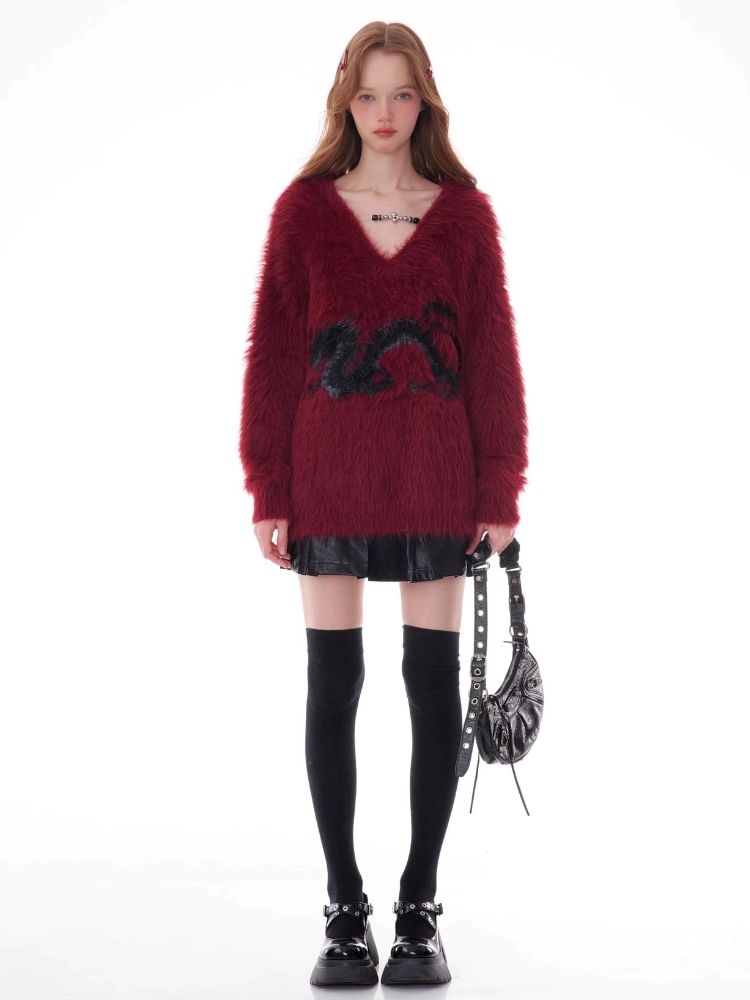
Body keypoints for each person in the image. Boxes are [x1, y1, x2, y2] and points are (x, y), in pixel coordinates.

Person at [238, 21, 529, 989]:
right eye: (369, 94)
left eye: (402, 94)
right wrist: (269, 484)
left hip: (436, 475)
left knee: (429, 684)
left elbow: (492, 357)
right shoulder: (304, 213)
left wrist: (500, 485)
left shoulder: (464, 218)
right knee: (334, 682)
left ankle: (419, 907)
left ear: (425, 100)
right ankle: (343, 907)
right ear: (345, 101)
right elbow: (274, 355)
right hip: (328, 475)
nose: (386, 113)